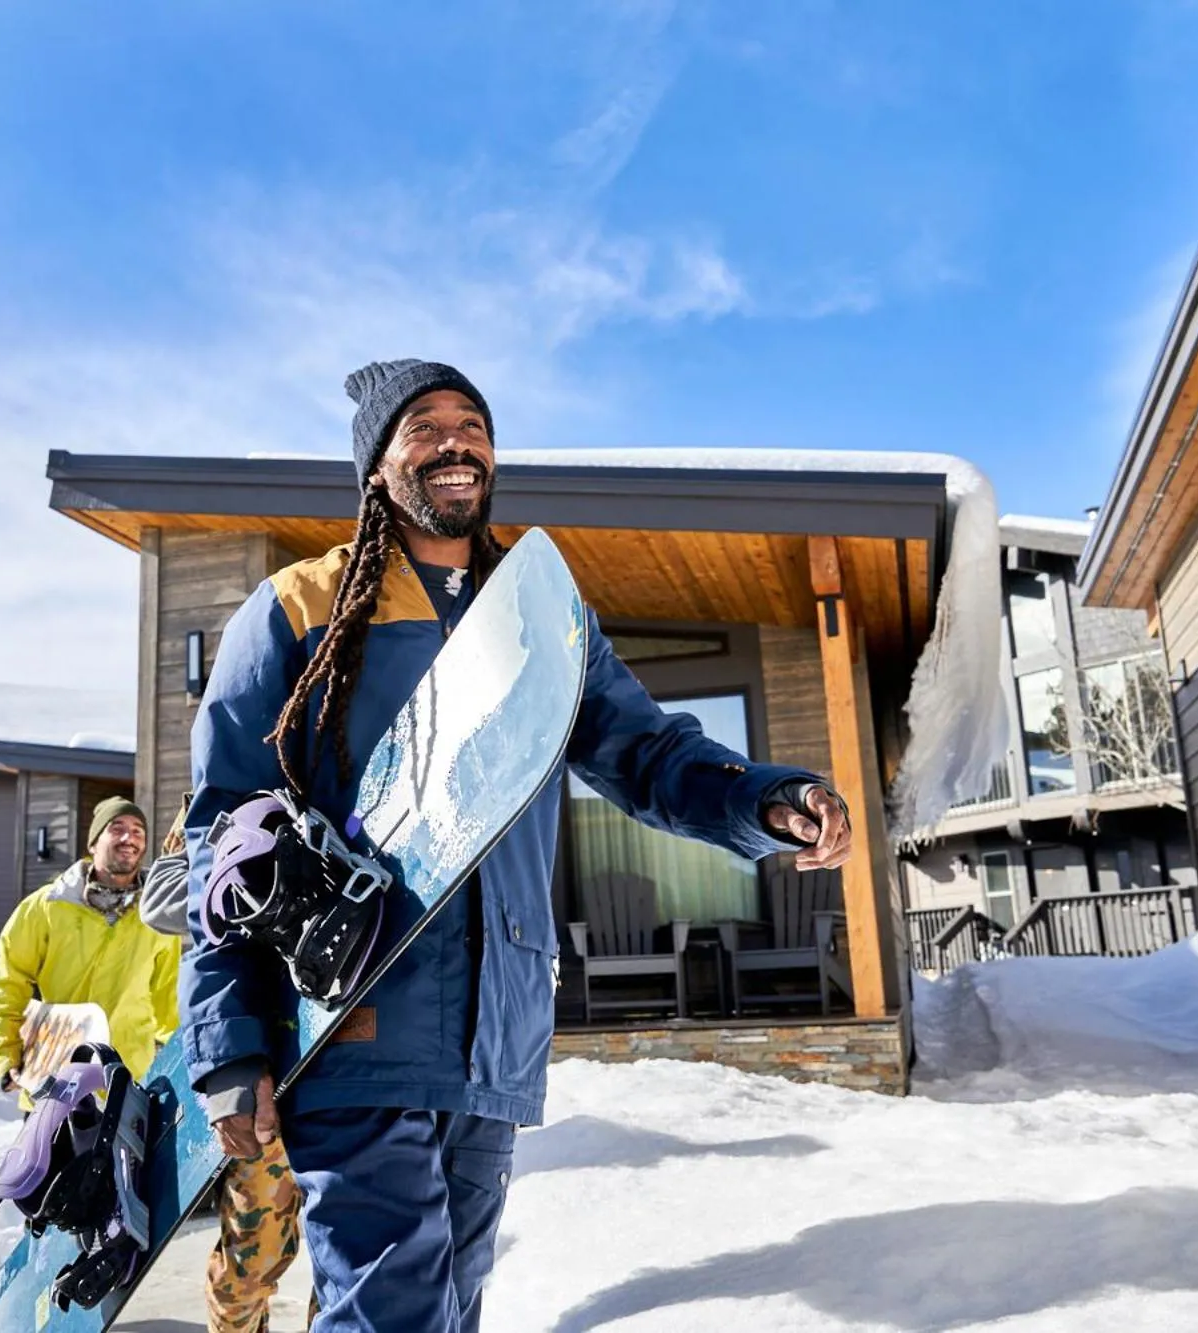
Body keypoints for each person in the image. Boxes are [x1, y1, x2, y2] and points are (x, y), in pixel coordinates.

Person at [182, 359, 853, 1333]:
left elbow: (646, 753)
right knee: (391, 1314)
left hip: (495, 1034)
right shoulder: (299, 608)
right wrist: (228, 1041)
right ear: (376, 466)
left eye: (473, 424)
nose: (455, 442)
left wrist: (763, 798)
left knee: (452, 1310)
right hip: (356, 1020)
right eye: (423, 426)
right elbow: (225, 834)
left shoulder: (540, 619)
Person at [142, 795, 310, 1333]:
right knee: (254, 1258)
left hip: (346, 1049)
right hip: (259, 1059)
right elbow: (162, 900)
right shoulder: (215, 795)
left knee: (351, 1253)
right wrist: (263, 881)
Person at [0, 795, 180, 1107]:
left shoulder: (156, 914)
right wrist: (6, 1054)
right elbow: (9, 983)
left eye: (138, 831)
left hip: (128, 1084)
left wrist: (181, 1062)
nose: (129, 838)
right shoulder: (47, 907)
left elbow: (168, 1000)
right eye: (117, 828)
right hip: (55, 1079)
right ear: (93, 843)